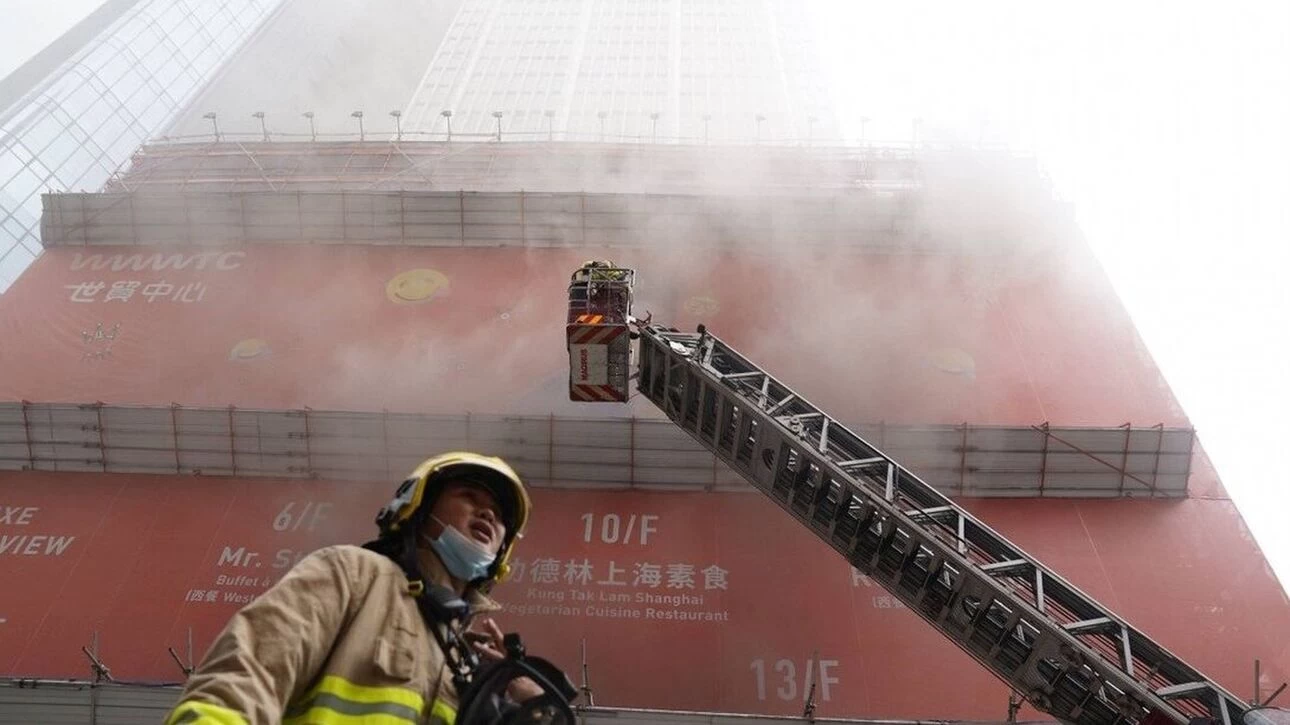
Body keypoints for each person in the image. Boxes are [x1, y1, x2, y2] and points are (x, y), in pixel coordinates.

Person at [164, 452, 546, 725]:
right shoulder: (354, 574)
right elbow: (247, 674)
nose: (488, 514)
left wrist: (534, 705)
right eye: (469, 497)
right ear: (417, 507)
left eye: (499, 516)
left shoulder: (468, 663)